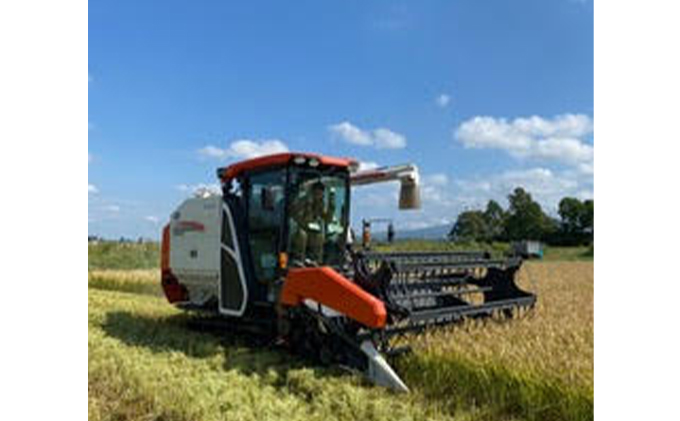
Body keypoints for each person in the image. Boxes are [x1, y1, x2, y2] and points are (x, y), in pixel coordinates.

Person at [289, 181, 333, 263]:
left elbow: (327, 219)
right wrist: (305, 222)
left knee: (319, 237)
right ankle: (299, 260)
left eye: (321, 194)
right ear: (313, 192)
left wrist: (331, 206)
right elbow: (294, 214)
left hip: (311, 230)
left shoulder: (320, 203)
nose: (319, 196)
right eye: (317, 193)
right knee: (302, 236)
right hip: (298, 229)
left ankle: (316, 260)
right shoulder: (303, 200)